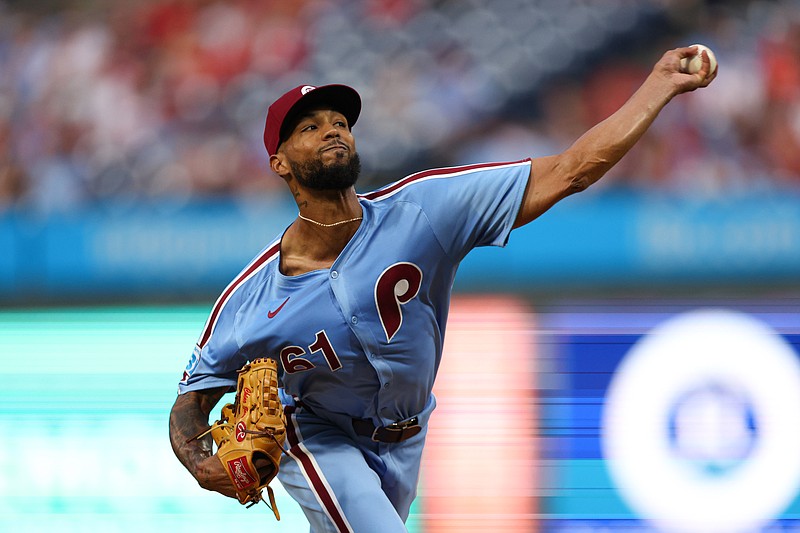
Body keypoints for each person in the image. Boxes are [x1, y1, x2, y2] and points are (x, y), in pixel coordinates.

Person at [169, 47, 717, 532]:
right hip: (316, 434)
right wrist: (200, 462)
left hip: (408, 434)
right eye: (310, 127)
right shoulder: (251, 298)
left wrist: (660, 85)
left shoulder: (424, 210)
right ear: (280, 163)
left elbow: (572, 169)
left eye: (340, 121)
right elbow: (192, 400)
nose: (333, 129)